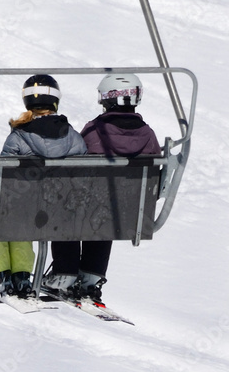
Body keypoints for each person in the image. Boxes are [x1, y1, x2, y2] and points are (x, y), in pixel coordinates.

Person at [43, 73, 161, 303]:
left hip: (86, 207)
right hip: (128, 211)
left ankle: (64, 274)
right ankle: (91, 276)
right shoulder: (149, 136)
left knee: (68, 209)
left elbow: (74, 162)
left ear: (105, 99)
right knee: (106, 212)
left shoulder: (95, 131)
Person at [0, 75, 86, 298]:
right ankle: (23, 276)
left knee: (5, 209)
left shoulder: (19, 137)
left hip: (26, 211)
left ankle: (0, 274)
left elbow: (4, 180)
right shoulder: (75, 138)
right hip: (62, 213)